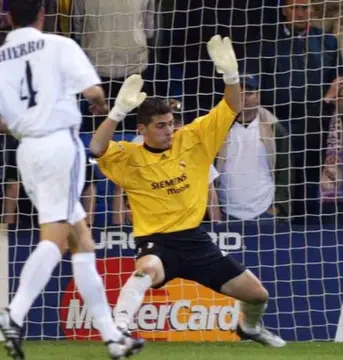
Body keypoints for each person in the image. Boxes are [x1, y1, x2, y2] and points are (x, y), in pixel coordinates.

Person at [88, 35, 285, 347]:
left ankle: (248, 328)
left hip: (196, 241)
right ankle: (119, 330)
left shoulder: (192, 138)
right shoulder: (128, 156)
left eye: (171, 123)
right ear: (142, 130)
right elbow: (97, 147)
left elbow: (232, 105)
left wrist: (231, 75)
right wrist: (116, 113)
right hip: (157, 242)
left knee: (258, 295)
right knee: (144, 271)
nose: (170, 130)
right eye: (161, 126)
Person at [0, 1, 143, 359]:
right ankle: (12, 315)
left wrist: (21, 123)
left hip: (26, 151)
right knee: (56, 237)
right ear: (43, 14)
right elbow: (94, 91)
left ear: (8, 16)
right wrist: (101, 105)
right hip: (60, 145)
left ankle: (112, 337)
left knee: (82, 244)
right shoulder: (58, 45)